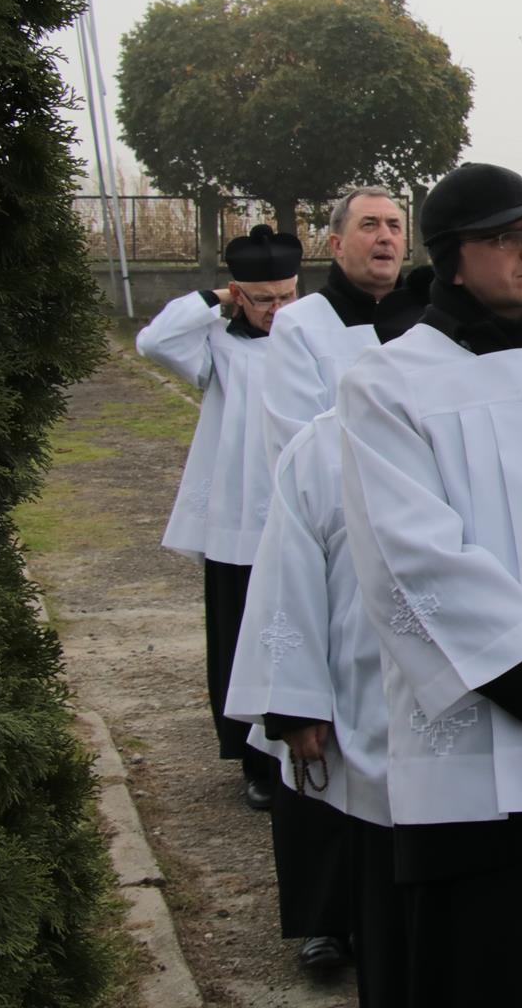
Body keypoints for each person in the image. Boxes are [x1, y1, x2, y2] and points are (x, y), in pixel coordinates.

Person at [337, 162, 522, 1007]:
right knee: (488, 962)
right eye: (507, 238)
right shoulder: (387, 382)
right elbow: (410, 551)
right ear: (453, 260)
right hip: (485, 729)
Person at [226, 410, 405, 998]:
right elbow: (289, 569)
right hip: (359, 671)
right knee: (350, 814)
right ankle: (329, 919)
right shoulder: (327, 440)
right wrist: (293, 701)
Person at [137, 224, 301, 810]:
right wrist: (213, 300)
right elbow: (154, 343)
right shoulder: (218, 346)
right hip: (239, 520)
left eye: (287, 296)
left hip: (300, 509)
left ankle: (302, 748)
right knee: (239, 640)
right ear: (239, 295)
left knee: (299, 636)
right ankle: (254, 762)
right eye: (263, 299)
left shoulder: (314, 336)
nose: (277, 310)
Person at [262, 186, 405, 467]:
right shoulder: (298, 325)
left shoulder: (427, 321)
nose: (385, 237)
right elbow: (300, 446)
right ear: (337, 245)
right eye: (369, 225)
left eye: (394, 226)